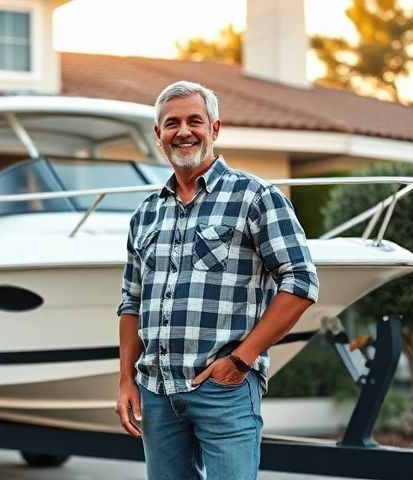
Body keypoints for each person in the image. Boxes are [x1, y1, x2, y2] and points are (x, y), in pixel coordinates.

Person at [115, 80, 319, 480]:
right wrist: (126, 379)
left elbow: (300, 281)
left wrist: (241, 361)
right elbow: (130, 301)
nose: (184, 131)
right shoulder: (145, 214)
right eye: (172, 123)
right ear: (159, 135)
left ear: (215, 128)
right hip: (156, 392)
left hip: (223, 390)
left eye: (195, 120)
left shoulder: (256, 197)